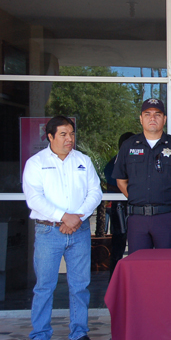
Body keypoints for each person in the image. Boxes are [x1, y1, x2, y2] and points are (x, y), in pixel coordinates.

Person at [22, 116, 102, 340]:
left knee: (80, 286)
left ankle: (79, 332)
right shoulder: (36, 163)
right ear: (50, 136)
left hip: (80, 231)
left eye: (72, 134)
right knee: (44, 287)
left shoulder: (83, 161)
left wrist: (77, 218)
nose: (70, 139)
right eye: (64, 134)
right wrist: (63, 217)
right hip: (49, 232)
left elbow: (95, 192)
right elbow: (34, 199)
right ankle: (40, 333)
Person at [112, 99, 171, 254]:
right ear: (141, 118)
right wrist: (137, 198)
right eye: (147, 114)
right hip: (137, 218)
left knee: (168, 265)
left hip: (166, 216)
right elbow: (120, 180)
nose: (152, 118)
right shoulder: (129, 145)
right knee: (139, 266)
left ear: (164, 119)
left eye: (157, 114)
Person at [103, 132, 134, 278]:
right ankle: (113, 282)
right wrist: (130, 190)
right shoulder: (114, 162)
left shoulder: (138, 161)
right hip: (119, 209)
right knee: (118, 247)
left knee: (137, 247)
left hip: (136, 208)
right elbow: (111, 185)